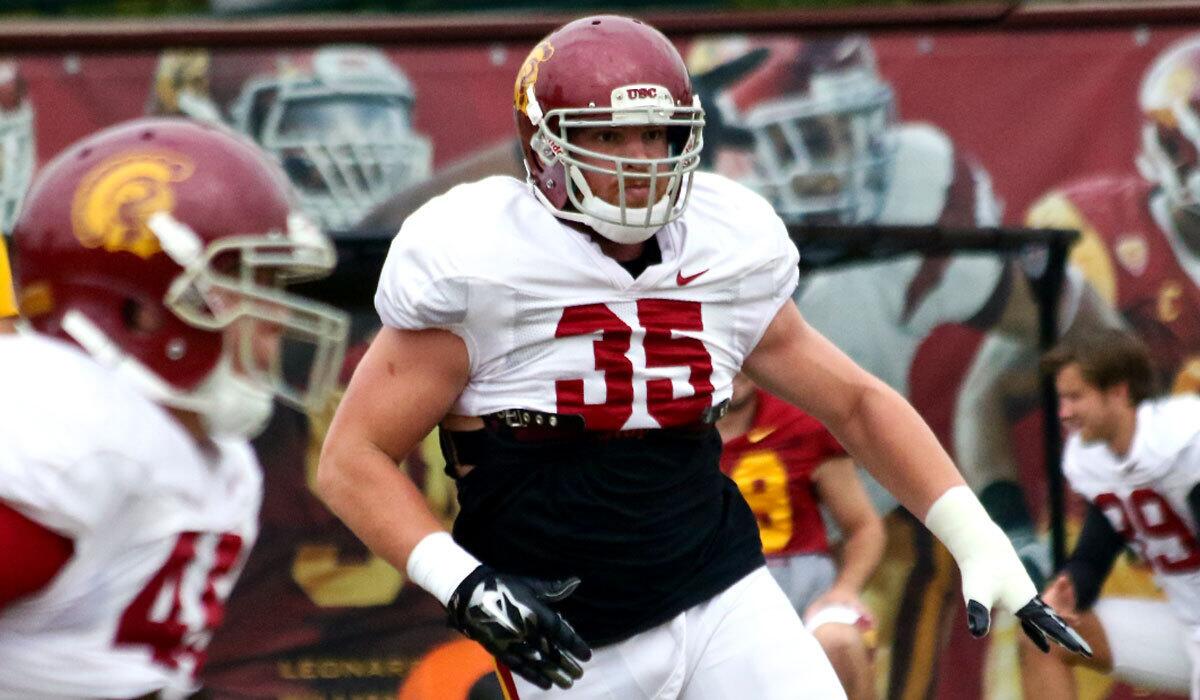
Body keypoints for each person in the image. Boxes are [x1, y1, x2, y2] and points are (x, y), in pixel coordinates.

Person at [316, 15, 1089, 699]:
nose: (640, 157)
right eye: (607, 134)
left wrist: (973, 534)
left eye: (657, 133)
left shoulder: (723, 241)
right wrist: (462, 583)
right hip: (567, 635)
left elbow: (855, 400)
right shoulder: (478, 259)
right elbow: (352, 458)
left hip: (722, 593)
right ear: (544, 144)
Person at [0, 117, 349, 698]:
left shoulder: (219, 458)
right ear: (139, 308)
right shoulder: (71, 423)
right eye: (252, 282)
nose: (281, 314)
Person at [1020, 328, 1199, 700]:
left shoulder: (1184, 440)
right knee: (1045, 632)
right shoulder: (1098, 459)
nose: (1063, 413)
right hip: (1187, 621)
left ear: (1118, 392)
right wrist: (1070, 586)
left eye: (1075, 397)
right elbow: (1094, 553)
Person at [717, 372, 884, 700]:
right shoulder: (672, 438)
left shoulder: (800, 423)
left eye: (744, 361)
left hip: (808, 591)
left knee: (838, 643)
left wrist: (846, 588)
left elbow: (864, 527)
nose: (736, 374)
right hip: (718, 599)